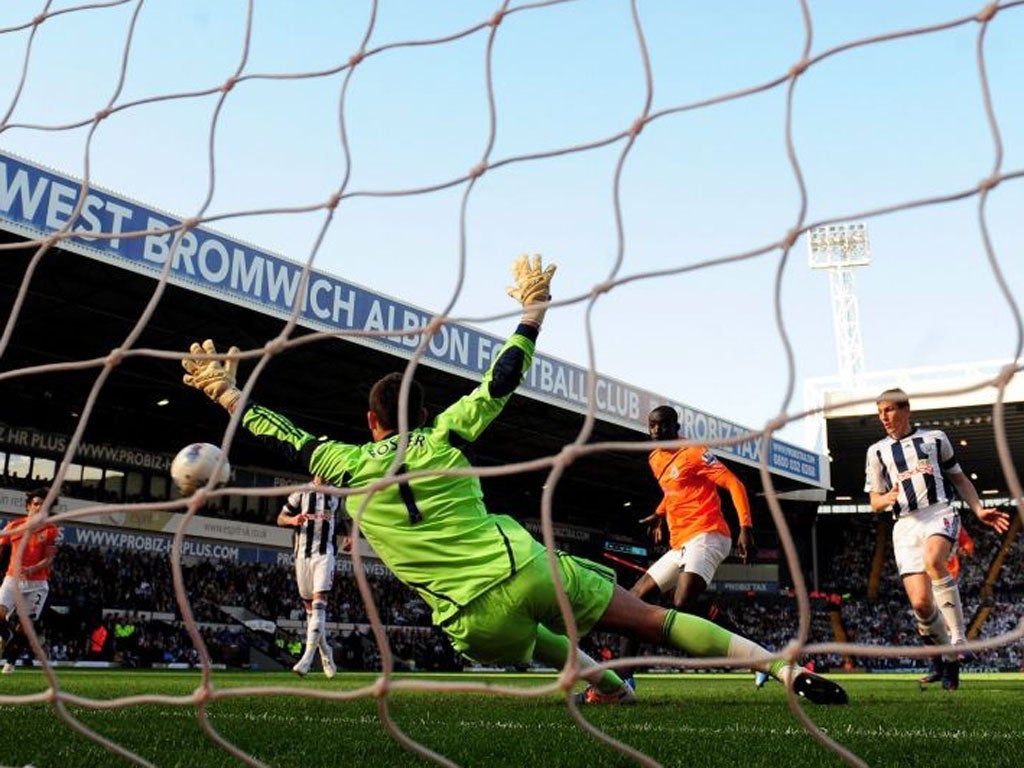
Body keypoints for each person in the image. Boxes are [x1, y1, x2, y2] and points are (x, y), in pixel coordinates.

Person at [180, 254, 847, 705]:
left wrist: (227, 395)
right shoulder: (445, 435)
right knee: (650, 618)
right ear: (421, 412)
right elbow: (501, 379)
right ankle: (782, 667)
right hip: (523, 567)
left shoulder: (344, 463)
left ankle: (609, 688)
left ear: (369, 421)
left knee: (541, 646)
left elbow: (284, 434)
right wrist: (533, 312)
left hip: (469, 623)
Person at [865, 388, 1009, 691]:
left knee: (934, 561)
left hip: (938, 512)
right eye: (880, 413)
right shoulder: (876, 451)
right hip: (904, 525)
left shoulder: (935, 438)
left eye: (889, 410)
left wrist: (979, 509)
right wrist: (885, 499)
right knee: (920, 604)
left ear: (906, 409)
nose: (884, 418)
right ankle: (947, 661)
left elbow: (958, 478)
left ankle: (958, 638)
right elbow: (874, 501)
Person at [620, 405, 756, 686]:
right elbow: (674, 491)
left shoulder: (694, 452)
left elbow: (734, 483)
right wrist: (659, 514)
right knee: (634, 599)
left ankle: (752, 653)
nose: (657, 431)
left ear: (676, 426)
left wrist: (746, 527)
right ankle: (623, 678)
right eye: (652, 426)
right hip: (680, 543)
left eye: (663, 425)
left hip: (709, 533)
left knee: (682, 602)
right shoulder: (655, 459)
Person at [277, 475, 342, 678]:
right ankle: (326, 653)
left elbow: (347, 518)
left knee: (319, 605)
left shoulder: (337, 494)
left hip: (325, 554)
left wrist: (349, 535)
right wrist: (292, 520)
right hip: (302, 556)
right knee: (310, 611)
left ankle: (306, 659)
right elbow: (280, 518)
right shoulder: (301, 492)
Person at [0, 488, 60, 674]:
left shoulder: (51, 530)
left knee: (25, 627)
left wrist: (31, 569)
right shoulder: (13, 526)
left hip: (37, 583)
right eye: (36, 504)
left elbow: (49, 559)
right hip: (12, 578)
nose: (40, 507)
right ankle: (5, 634)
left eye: (44, 505)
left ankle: (10, 662)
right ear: (28, 507)